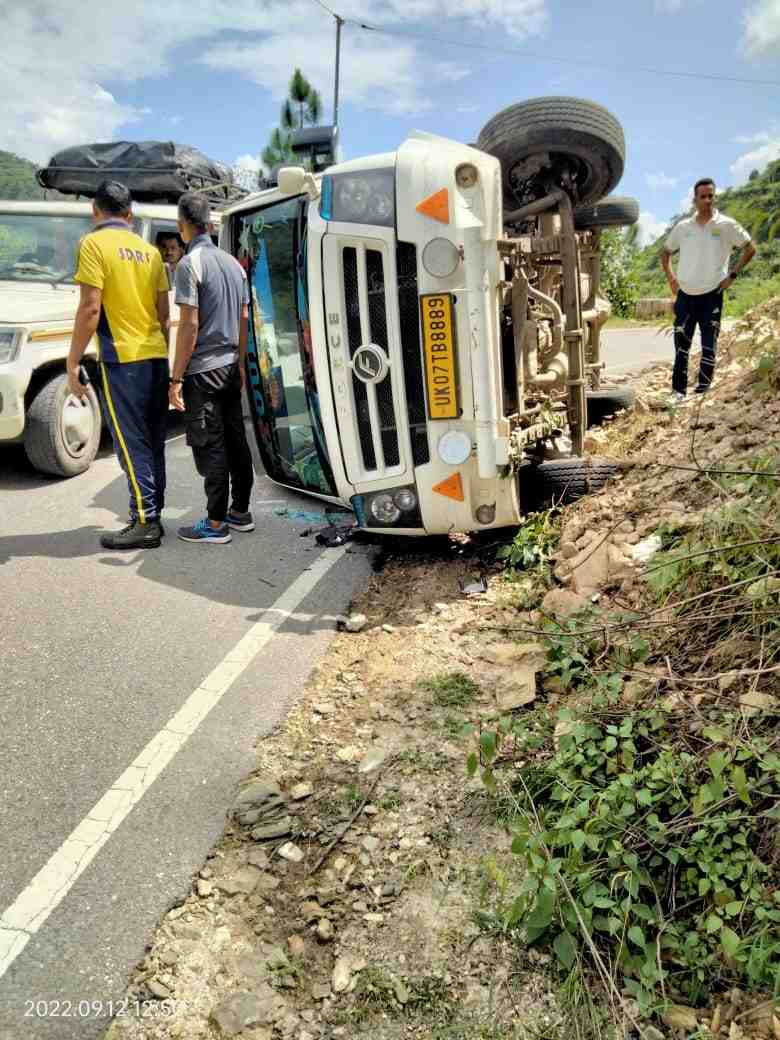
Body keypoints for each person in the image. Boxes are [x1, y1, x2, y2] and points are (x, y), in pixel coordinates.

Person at [66, 180, 170, 549]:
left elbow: (91, 308)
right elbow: (163, 314)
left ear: (95, 211)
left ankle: (145, 522)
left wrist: (73, 359)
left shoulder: (93, 244)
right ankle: (153, 514)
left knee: (131, 443)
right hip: (155, 355)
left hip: (123, 359)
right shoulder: (150, 252)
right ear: (130, 214)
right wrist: (166, 360)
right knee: (154, 441)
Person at [169, 192, 254, 544]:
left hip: (203, 372)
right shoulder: (234, 264)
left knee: (211, 445)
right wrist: (242, 364)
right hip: (232, 366)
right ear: (211, 223)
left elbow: (189, 325)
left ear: (183, 227)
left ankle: (216, 524)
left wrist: (175, 377)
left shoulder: (191, 264)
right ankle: (240, 512)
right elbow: (245, 318)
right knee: (236, 440)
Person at [661, 178, 756, 402]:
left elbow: (750, 248)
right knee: (681, 346)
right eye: (702, 196)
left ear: (715, 197)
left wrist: (732, 275)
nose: (707, 200)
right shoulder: (683, 227)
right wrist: (671, 278)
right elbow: (665, 252)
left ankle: (703, 391)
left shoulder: (726, 225)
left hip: (712, 295)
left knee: (708, 346)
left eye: (710, 195)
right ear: (694, 199)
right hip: (685, 295)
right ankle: (678, 392)